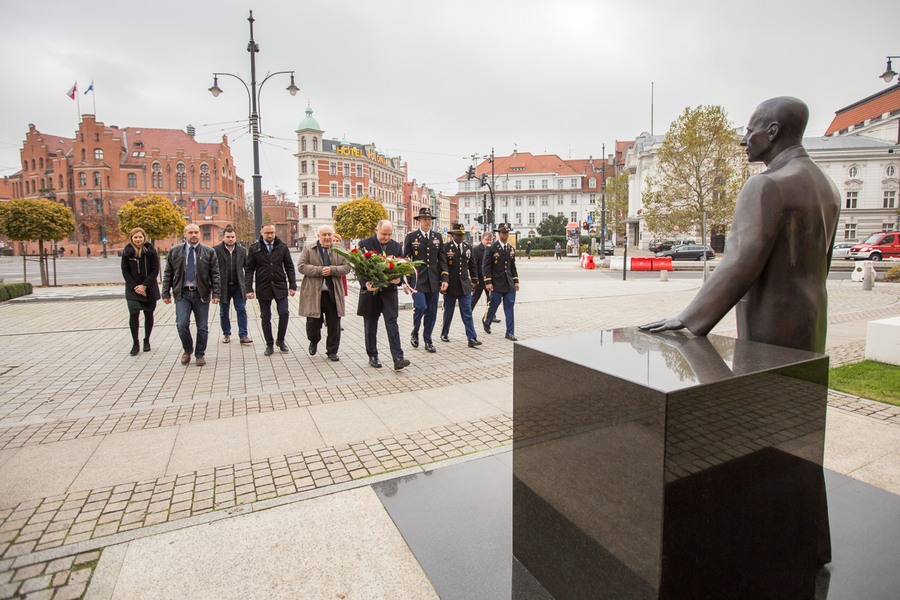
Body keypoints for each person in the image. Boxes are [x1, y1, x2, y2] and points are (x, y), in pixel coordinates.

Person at [640, 96, 840, 566]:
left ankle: (764, 545)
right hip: (812, 316)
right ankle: (813, 544)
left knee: (767, 429)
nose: (742, 137)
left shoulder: (767, 186)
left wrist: (689, 319)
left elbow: (742, 261)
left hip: (772, 320)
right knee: (800, 430)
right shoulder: (825, 185)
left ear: (772, 132)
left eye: (749, 129)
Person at [162, 223, 221, 366]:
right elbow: (168, 273)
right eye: (190, 233)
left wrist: (216, 293)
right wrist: (165, 292)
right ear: (185, 235)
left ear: (199, 234)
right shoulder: (175, 251)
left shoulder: (209, 252)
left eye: (196, 232)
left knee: (202, 327)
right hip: (183, 294)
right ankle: (187, 350)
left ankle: (200, 354)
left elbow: (215, 274)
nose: (193, 235)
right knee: (182, 324)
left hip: (201, 294)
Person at [358, 220, 412, 370]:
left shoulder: (396, 246)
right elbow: (359, 268)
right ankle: (373, 355)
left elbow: (401, 267)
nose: (387, 237)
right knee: (370, 324)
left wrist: (399, 279)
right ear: (376, 230)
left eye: (389, 234)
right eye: (384, 234)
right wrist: (365, 283)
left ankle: (398, 358)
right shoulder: (365, 244)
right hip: (371, 292)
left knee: (392, 323)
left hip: (389, 292)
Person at [297, 225, 351, 361]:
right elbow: (301, 266)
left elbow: (347, 267)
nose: (327, 237)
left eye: (329, 235)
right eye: (324, 235)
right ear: (318, 236)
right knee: (313, 324)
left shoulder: (339, 251)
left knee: (334, 324)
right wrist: (319, 270)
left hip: (333, 293)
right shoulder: (309, 249)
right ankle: (314, 340)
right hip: (314, 293)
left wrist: (332, 270)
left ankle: (332, 351)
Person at [245, 224, 297, 356]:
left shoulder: (282, 247)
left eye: (272, 233)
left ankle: (280, 340)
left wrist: (292, 285)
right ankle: (269, 344)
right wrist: (249, 289)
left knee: (284, 313)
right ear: (261, 233)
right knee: (266, 316)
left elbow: (289, 267)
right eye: (267, 233)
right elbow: (249, 270)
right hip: (264, 286)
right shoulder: (254, 248)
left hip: (280, 285)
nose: (270, 235)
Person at [403, 207, 448, 353]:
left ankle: (427, 339)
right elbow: (405, 260)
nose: (427, 222)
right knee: (421, 307)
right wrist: (406, 281)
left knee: (432, 311)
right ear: (419, 221)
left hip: (434, 280)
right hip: (418, 280)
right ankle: (415, 331)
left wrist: (445, 278)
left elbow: (442, 259)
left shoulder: (437, 237)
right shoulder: (411, 237)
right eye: (424, 219)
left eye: (429, 219)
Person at [439, 223, 482, 348]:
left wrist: (474, 280)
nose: (460, 237)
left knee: (467, 312)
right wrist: (442, 282)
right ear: (452, 235)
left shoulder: (468, 247)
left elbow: (472, 265)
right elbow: (443, 266)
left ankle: (471, 337)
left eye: (462, 235)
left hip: (464, 285)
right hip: (451, 285)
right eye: (458, 235)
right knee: (448, 312)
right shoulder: (446, 248)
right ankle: (444, 333)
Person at [121, 227, 160, 356]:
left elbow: (155, 270)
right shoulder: (127, 252)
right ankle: (135, 342)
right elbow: (125, 271)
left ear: (144, 237)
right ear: (131, 238)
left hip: (149, 288)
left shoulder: (151, 251)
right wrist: (135, 287)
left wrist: (144, 286)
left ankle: (146, 340)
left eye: (140, 237)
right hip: (133, 289)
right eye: (135, 237)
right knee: (134, 312)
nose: (138, 239)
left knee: (149, 314)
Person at [214, 225, 252, 345]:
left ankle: (243, 335)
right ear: (223, 238)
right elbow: (212, 269)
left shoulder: (241, 251)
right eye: (228, 237)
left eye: (232, 237)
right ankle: (226, 333)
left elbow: (247, 269)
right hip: (223, 287)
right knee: (223, 311)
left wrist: (247, 286)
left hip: (238, 286)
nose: (230, 239)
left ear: (236, 238)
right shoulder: (216, 250)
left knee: (241, 309)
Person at [482, 223, 520, 341]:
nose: (505, 235)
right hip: (496, 283)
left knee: (509, 307)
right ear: (499, 234)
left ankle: (510, 332)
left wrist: (516, 280)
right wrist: (488, 282)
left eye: (507, 233)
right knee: (494, 304)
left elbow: (512, 266)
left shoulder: (510, 248)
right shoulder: (492, 248)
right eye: (503, 233)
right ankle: (486, 321)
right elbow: (486, 266)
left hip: (509, 283)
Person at [471, 231, 500, 325]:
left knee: (491, 299)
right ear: (482, 239)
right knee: (475, 297)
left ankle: (491, 316)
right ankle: (468, 313)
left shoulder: (492, 249)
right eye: (487, 239)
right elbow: (474, 265)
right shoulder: (476, 250)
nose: (489, 241)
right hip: (479, 278)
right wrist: (475, 278)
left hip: (489, 279)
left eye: (490, 239)